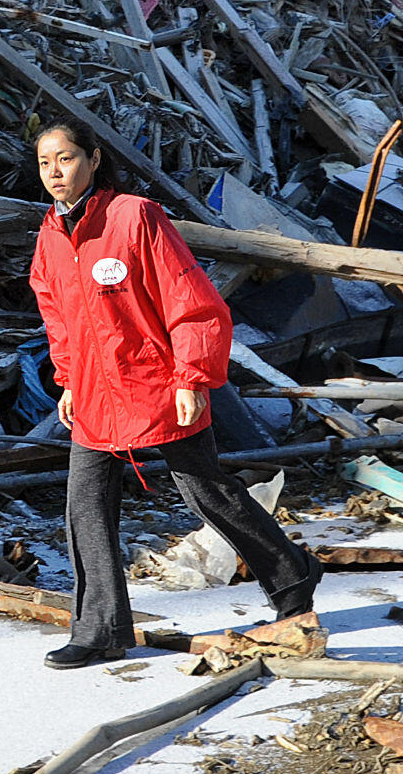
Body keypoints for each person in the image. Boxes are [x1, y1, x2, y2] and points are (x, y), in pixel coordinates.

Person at [26, 116, 322, 669]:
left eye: (66, 158)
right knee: (85, 504)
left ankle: (291, 574)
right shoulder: (50, 234)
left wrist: (192, 377)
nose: (55, 172)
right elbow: (58, 319)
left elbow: (192, 303)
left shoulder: (134, 217)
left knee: (204, 491)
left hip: (156, 383)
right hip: (93, 391)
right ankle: (102, 629)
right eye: (45, 162)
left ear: (93, 159)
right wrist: (66, 379)